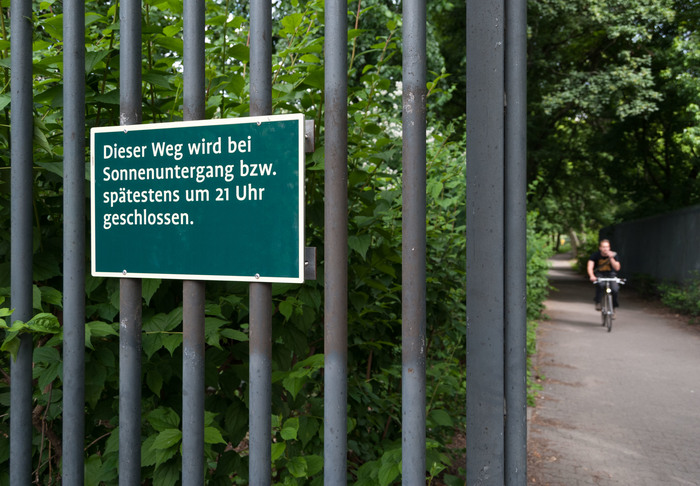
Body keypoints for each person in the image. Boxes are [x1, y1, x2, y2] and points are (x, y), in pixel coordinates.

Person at [587, 239, 621, 311]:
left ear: (609, 248)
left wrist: (611, 257)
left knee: (615, 289)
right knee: (600, 285)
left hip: (611, 274)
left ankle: (614, 307)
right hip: (600, 274)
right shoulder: (595, 255)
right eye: (603, 247)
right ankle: (598, 302)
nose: (605, 249)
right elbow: (590, 266)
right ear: (600, 248)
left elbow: (617, 268)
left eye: (607, 247)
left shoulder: (614, 255)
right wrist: (592, 276)